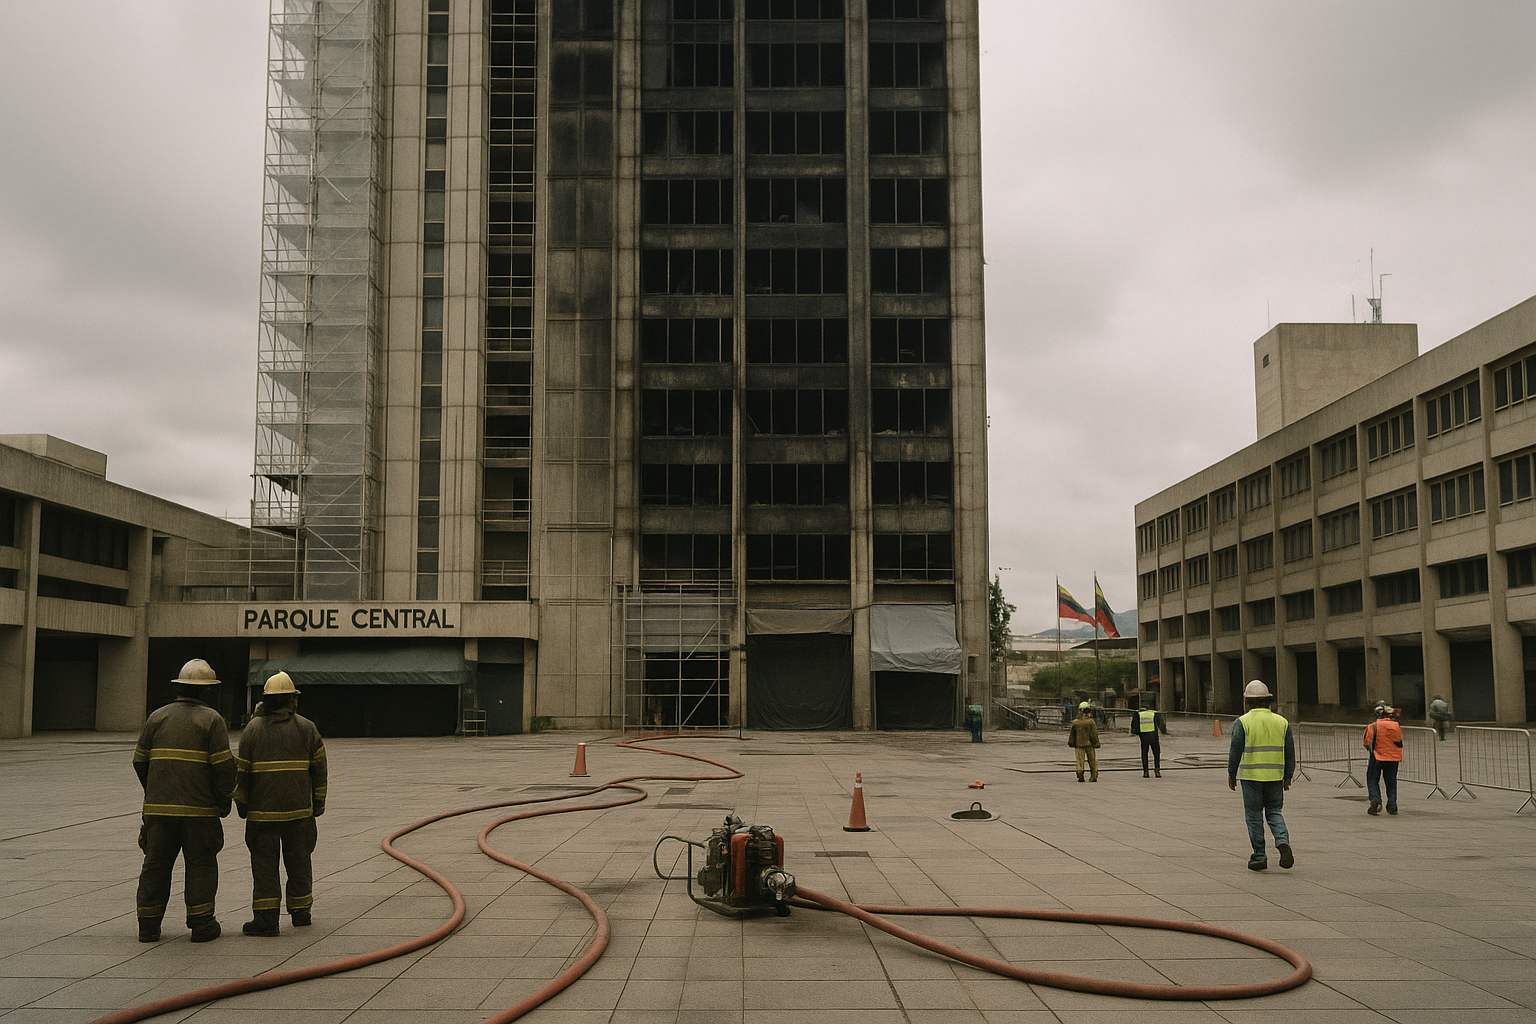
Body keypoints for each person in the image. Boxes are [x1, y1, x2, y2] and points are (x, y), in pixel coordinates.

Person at [131, 658, 237, 942]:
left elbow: (139, 762)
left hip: (159, 811)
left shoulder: (157, 717)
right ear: (206, 691)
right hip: (200, 812)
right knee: (201, 863)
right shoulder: (212, 720)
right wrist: (223, 801)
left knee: (156, 864)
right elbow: (223, 769)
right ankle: (201, 924)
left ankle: (149, 925)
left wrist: (155, 791)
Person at [234, 671, 328, 936]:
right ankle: (301, 912)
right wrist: (317, 804)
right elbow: (320, 769)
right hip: (299, 813)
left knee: (264, 865)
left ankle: (266, 919)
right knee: (299, 861)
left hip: (262, 815)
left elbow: (243, 774)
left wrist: (242, 807)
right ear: (291, 700)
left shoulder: (252, 730)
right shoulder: (307, 728)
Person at [1226, 680, 1296, 871]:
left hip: (1251, 776)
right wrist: (1288, 776)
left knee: (1254, 815)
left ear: (1247, 702)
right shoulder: (1282, 722)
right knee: (1274, 812)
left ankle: (1259, 856)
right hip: (1275, 776)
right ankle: (1282, 842)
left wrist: (1232, 773)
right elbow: (1290, 752)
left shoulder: (1242, 722)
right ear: (1268, 701)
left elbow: (1235, 750)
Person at [1363, 701, 1404, 815]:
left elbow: (1366, 742)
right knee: (1391, 781)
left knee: (1372, 779)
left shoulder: (1373, 726)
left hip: (1377, 756)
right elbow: (1399, 741)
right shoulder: (1396, 726)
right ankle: (1392, 804)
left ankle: (1376, 799)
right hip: (1393, 758)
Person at [1068, 701, 1100, 782]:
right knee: (1092, 760)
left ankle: (1080, 775)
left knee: (1079, 760)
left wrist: (1072, 742)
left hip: (1079, 744)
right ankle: (1094, 775)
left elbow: (1072, 734)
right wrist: (1096, 743)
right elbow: (1094, 734)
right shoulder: (1090, 722)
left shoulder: (1075, 722)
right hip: (1089, 744)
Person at [1130, 703, 1165, 778]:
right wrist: (1164, 731)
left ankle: (1146, 772)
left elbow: (1134, 725)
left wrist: (1136, 732)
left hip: (1143, 736)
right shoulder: (1153, 713)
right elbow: (1161, 724)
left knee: (1144, 754)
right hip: (1154, 735)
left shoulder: (1137, 714)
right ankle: (1157, 771)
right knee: (1156, 753)